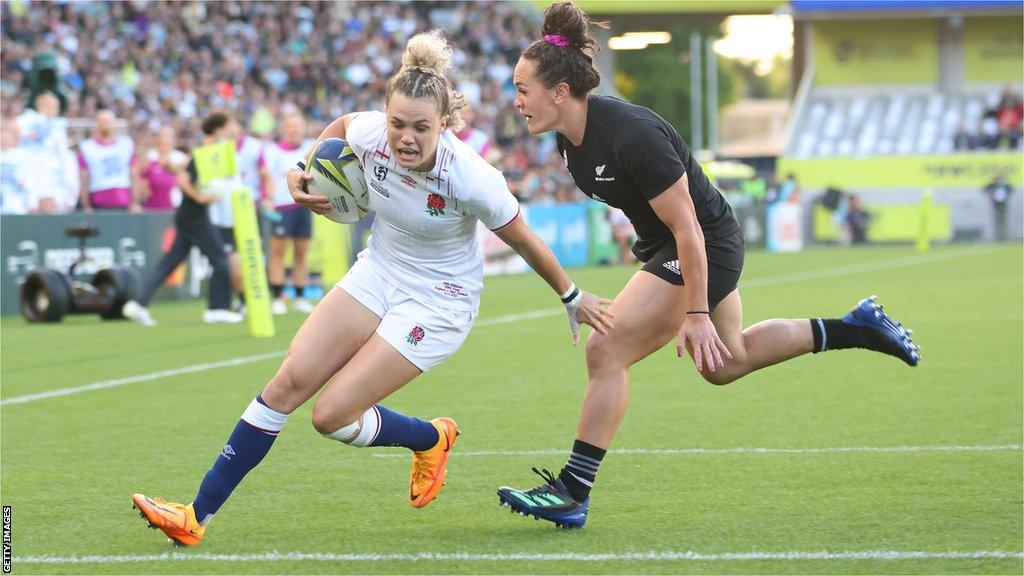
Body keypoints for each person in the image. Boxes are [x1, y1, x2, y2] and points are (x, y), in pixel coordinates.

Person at [131, 30, 612, 547]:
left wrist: (572, 297)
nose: (404, 137)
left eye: (420, 128)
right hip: (379, 270)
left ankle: (431, 437)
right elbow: (340, 127)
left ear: (445, 124)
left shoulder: (471, 177)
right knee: (286, 383)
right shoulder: (369, 133)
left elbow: (524, 239)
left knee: (330, 416)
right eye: (396, 123)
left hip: (440, 300)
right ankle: (194, 515)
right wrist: (303, 167)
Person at [496, 1, 921, 530]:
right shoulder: (568, 140)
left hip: (702, 244)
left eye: (523, 90)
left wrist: (694, 310)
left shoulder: (632, 134)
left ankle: (573, 489)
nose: (516, 103)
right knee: (726, 363)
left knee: (607, 349)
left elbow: (689, 226)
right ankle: (854, 328)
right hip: (674, 245)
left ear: (559, 93)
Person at [121, 111, 245, 326]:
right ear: (219, 129)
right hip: (195, 215)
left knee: (170, 262)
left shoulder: (207, 152)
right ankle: (217, 309)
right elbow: (184, 179)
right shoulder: (207, 152)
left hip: (189, 215)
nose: (233, 130)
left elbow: (184, 168)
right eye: (230, 126)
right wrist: (200, 197)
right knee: (220, 261)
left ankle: (138, 305)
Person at [261, 112, 317, 314]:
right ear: (284, 129)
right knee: (278, 253)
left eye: (298, 126)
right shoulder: (272, 151)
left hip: (306, 206)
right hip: (282, 206)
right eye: (291, 126)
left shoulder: (310, 148)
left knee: (301, 253)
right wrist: (267, 198)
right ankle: (277, 297)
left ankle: (300, 296)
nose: (294, 130)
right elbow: (266, 177)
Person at [78, 109, 140, 212]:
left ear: (114, 123)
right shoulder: (87, 147)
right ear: (96, 124)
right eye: (101, 121)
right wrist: (86, 205)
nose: (105, 125)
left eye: (108, 121)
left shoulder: (126, 144)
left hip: (123, 201)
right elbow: (83, 177)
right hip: (97, 201)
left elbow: (134, 174)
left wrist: (135, 202)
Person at [139, 126, 189, 212]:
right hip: (152, 205)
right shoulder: (149, 156)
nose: (166, 140)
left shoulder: (180, 157)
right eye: (163, 136)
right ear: (158, 138)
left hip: (175, 205)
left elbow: (185, 180)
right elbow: (141, 179)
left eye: (169, 136)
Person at [982, 171, 1014, 242]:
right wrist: (990, 195)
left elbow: (1011, 189)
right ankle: (997, 237)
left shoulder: (1005, 184)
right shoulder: (993, 184)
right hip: (996, 204)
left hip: (1003, 203)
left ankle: (1005, 237)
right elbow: (984, 188)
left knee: (1004, 220)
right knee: (997, 220)